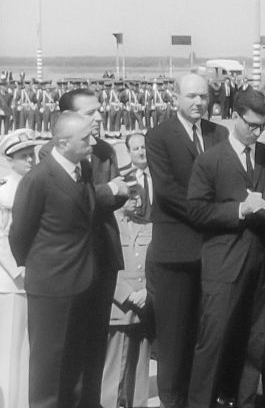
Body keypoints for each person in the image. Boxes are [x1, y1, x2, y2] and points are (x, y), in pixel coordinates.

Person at [187, 88, 265, 408]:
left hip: (262, 262)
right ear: (235, 117)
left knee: (254, 346)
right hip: (225, 263)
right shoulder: (210, 160)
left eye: (263, 127)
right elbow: (196, 211)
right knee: (214, 343)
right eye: (251, 125)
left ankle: (244, 402)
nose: (257, 132)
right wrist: (240, 210)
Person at [39, 88, 130, 407]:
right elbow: (69, 202)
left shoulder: (106, 150)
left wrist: (103, 193)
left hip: (103, 256)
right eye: (90, 112)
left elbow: (123, 194)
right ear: (67, 119)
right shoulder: (50, 152)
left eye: (99, 110)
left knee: (96, 341)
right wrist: (105, 191)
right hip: (70, 263)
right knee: (68, 344)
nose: (100, 116)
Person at [145, 73, 229, 408]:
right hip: (176, 253)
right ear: (175, 97)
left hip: (213, 252)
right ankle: (173, 401)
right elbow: (167, 191)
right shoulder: (159, 136)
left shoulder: (219, 133)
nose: (198, 103)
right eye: (191, 96)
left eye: (204, 97)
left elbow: (227, 182)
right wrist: (212, 214)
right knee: (174, 338)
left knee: (206, 334)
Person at [9, 113, 102, 408]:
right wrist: (42, 267)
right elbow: (19, 234)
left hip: (82, 283)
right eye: (85, 139)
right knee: (48, 371)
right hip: (51, 287)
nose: (92, 143)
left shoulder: (83, 170)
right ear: (63, 143)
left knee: (74, 368)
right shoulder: (39, 178)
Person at [101, 132, 154, 408]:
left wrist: (147, 292)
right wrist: (126, 294)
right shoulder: (109, 228)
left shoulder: (149, 227)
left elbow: (154, 263)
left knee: (139, 365)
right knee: (115, 367)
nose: (135, 201)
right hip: (118, 307)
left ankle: (137, 403)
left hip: (144, 306)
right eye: (131, 196)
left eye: (139, 197)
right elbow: (107, 264)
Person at [0, 130, 39, 408]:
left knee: (32, 350)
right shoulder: (1, 194)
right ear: (11, 160)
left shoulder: (37, 186)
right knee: (11, 349)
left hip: (39, 279)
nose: (31, 161)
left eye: (32, 155)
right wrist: (18, 270)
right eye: (24, 157)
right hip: (12, 282)